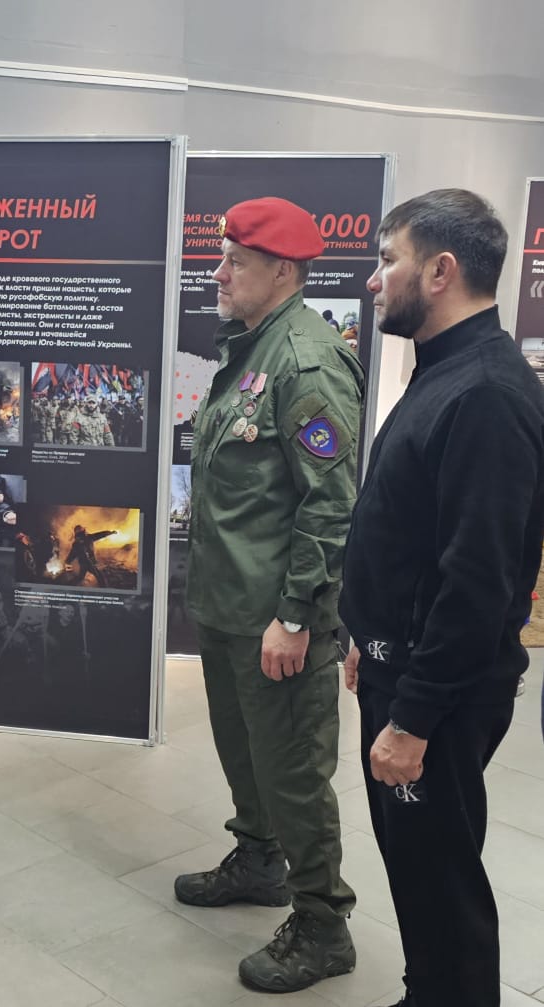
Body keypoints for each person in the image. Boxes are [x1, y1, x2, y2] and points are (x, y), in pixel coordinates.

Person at [340, 189, 544, 1007]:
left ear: (440, 270)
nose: (372, 280)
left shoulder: (486, 394)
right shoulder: (445, 372)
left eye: (386, 259)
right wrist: (366, 634)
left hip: (440, 693)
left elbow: (478, 580)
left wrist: (414, 717)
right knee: (416, 869)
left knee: (441, 879)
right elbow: (413, 533)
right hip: (401, 666)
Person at [177, 197, 365, 993]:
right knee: (245, 752)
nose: (218, 273)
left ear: (282, 270)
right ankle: (259, 859)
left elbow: (331, 504)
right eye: (222, 258)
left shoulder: (306, 361)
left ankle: (322, 925)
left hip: (276, 620)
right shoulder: (251, 345)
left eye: (236, 262)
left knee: (291, 769)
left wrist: (294, 615)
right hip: (230, 606)